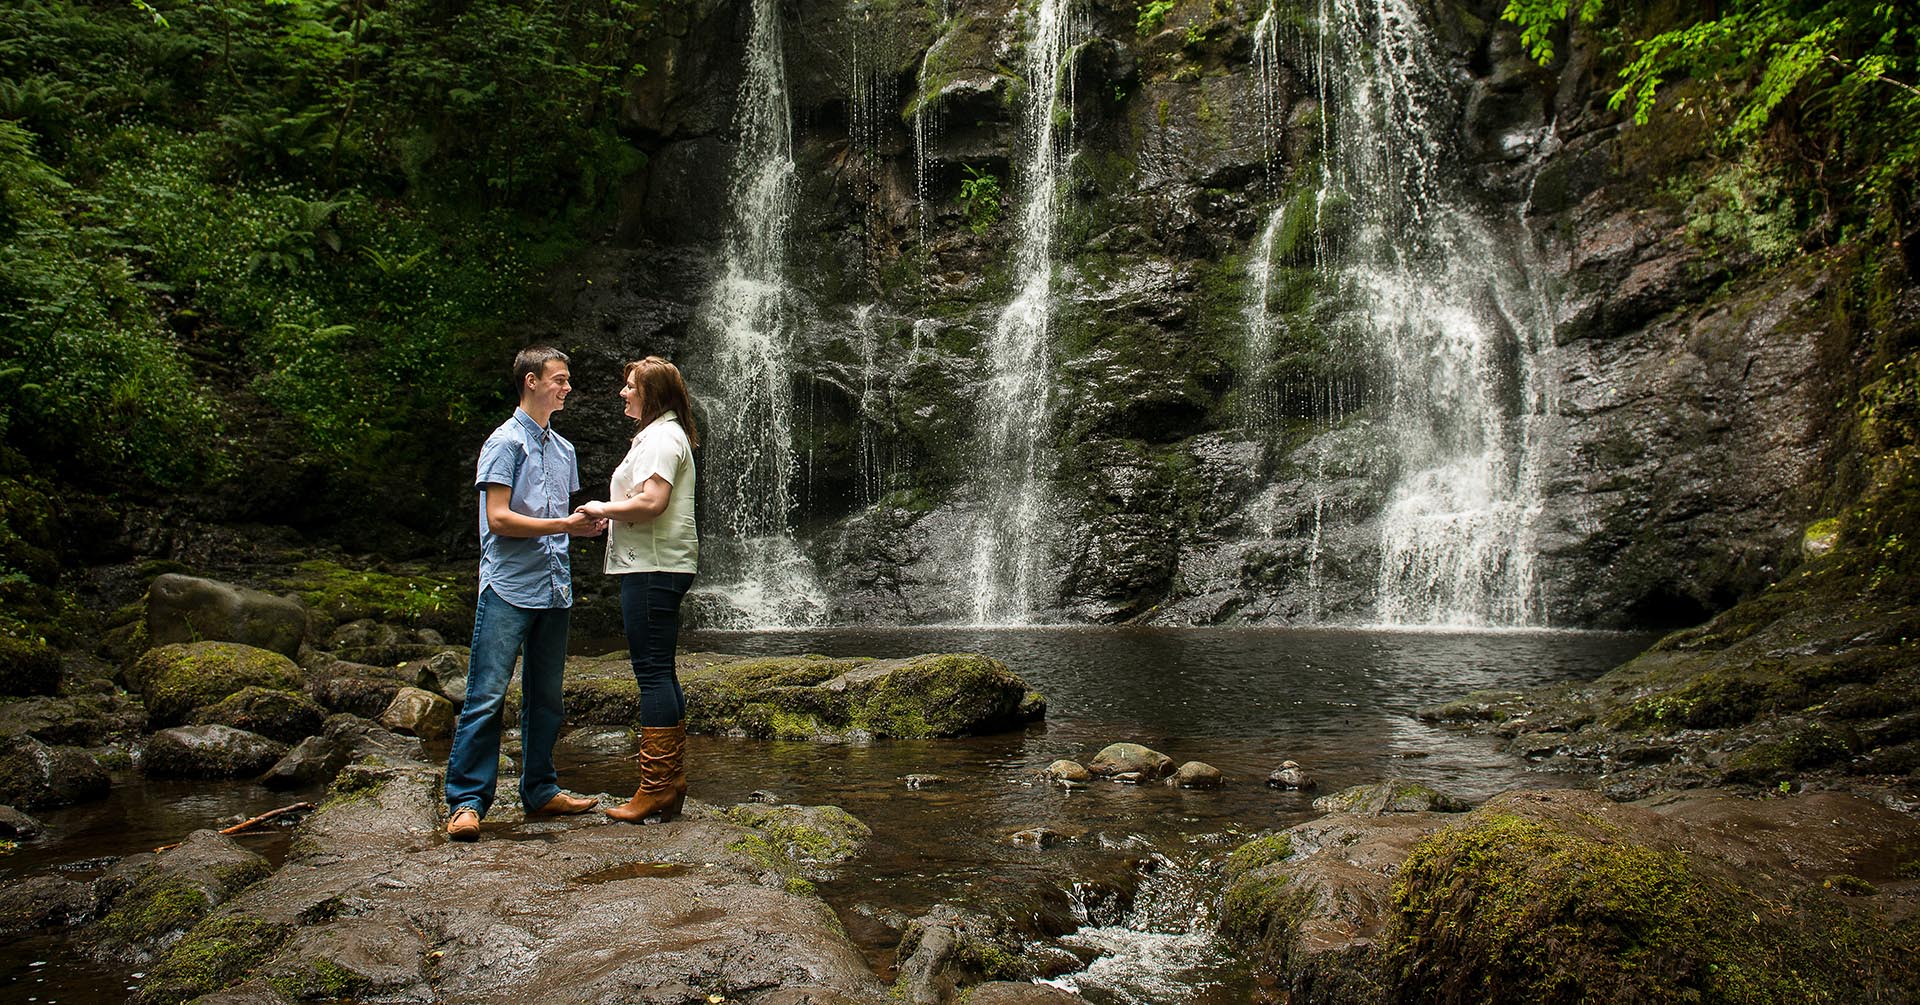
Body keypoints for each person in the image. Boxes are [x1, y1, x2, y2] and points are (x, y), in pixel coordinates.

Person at [445, 345, 606, 841]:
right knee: (487, 696)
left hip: (554, 587)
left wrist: (586, 525)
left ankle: (539, 789)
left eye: (568, 378)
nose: (568, 386)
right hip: (509, 588)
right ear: (531, 381)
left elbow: (561, 519)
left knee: (547, 698)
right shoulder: (503, 443)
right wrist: (566, 526)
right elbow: (498, 518)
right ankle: (467, 802)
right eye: (559, 378)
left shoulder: (564, 450)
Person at [576, 356, 699, 824]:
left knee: (651, 673)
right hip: (657, 564)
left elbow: (651, 501)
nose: (623, 393)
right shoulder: (665, 435)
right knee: (660, 671)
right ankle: (670, 783)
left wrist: (601, 509)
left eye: (630, 387)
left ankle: (655, 789)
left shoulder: (662, 438)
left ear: (652, 395)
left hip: (653, 567)